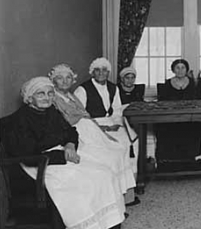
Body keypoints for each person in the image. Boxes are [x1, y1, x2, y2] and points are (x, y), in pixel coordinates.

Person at [3, 77, 125, 229]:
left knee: (102, 172)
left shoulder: (52, 111)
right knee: (83, 182)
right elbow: (27, 154)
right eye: (41, 93)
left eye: (50, 93)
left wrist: (69, 145)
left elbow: (71, 131)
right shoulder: (20, 119)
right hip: (39, 165)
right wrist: (61, 156)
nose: (47, 97)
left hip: (60, 155)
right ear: (29, 98)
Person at [49, 64, 137, 198]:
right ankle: (111, 197)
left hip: (91, 129)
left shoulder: (71, 96)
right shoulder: (54, 99)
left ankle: (123, 196)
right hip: (80, 135)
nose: (65, 81)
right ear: (53, 81)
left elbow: (87, 115)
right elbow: (65, 123)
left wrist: (100, 128)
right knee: (110, 155)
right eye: (60, 78)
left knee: (119, 148)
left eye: (68, 77)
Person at [74, 57, 140, 205]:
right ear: (92, 73)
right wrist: (101, 128)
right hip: (91, 125)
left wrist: (115, 124)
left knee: (130, 142)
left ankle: (127, 195)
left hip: (112, 122)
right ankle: (111, 196)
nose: (101, 73)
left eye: (104, 70)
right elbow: (80, 115)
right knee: (113, 149)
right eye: (97, 70)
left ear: (109, 72)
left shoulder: (113, 87)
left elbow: (117, 109)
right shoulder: (82, 89)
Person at [156, 59, 201, 163]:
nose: (180, 70)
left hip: (189, 115)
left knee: (196, 126)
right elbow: (162, 101)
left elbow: (196, 99)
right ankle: (169, 158)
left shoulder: (192, 83)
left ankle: (190, 158)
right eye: (177, 68)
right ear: (173, 70)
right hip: (171, 116)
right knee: (163, 127)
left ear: (186, 70)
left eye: (183, 68)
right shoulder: (167, 83)